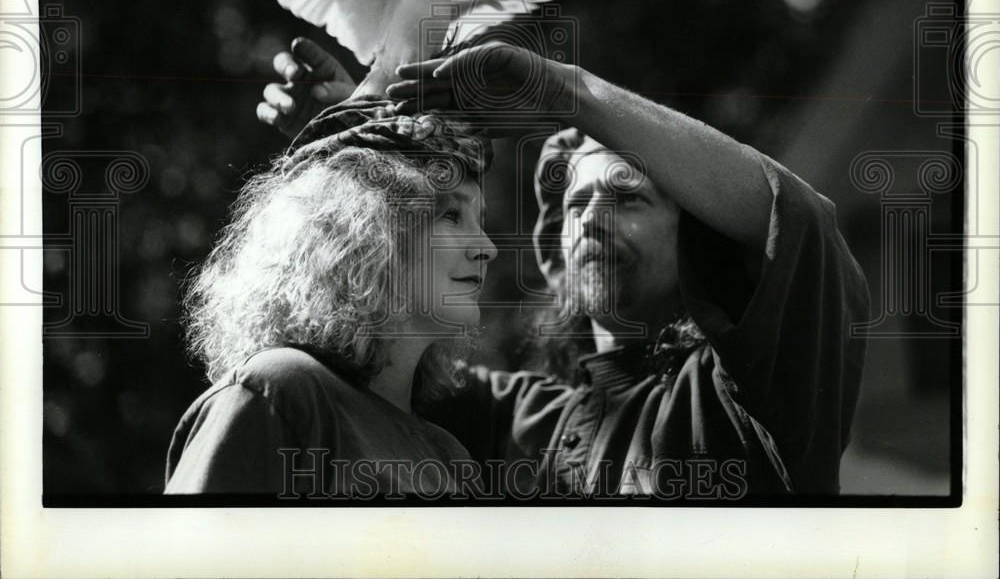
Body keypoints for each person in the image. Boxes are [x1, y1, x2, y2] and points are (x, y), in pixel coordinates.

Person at [258, 37, 869, 499]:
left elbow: (801, 222)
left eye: (628, 197)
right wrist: (355, 131)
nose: (592, 218)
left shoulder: (753, 401)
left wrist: (560, 91)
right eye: (577, 202)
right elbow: (368, 341)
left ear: (701, 241)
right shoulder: (504, 418)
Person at [164, 104, 498, 497]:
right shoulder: (277, 392)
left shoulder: (452, 458)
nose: (487, 248)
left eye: (481, 220)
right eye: (451, 215)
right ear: (365, 231)